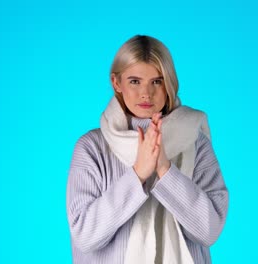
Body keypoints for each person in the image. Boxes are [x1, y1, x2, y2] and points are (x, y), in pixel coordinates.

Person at [66, 35, 229, 264]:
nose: (146, 93)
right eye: (134, 81)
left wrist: (165, 169)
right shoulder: (92, 149)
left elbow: (208, 231)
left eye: (157, 81)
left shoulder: (195, 141)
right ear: (116, 82)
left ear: (169, 83)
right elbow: (86, 235)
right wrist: (138, 174)